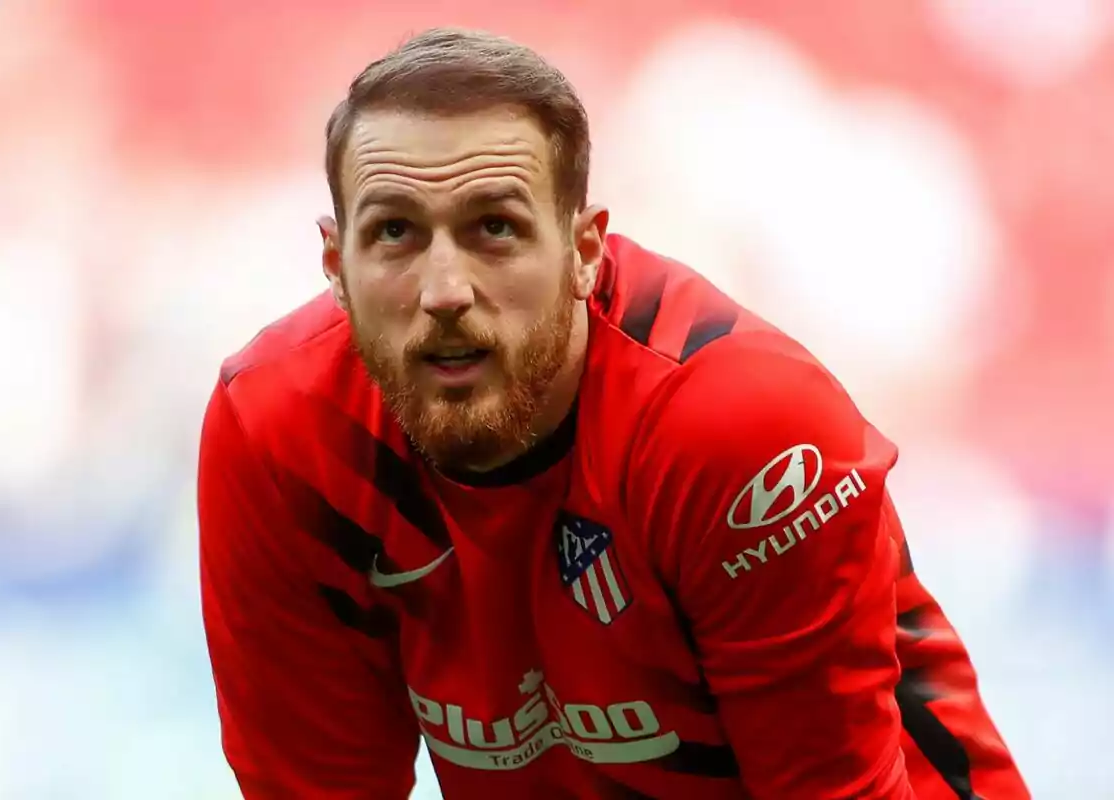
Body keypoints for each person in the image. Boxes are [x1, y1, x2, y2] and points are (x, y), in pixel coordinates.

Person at [198, 27, 1029, 799]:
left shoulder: (736, 430)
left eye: (494, 228)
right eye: (395, 234)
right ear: (334, 265)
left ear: (584, 252)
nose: (444, 291)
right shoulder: (276, 435)